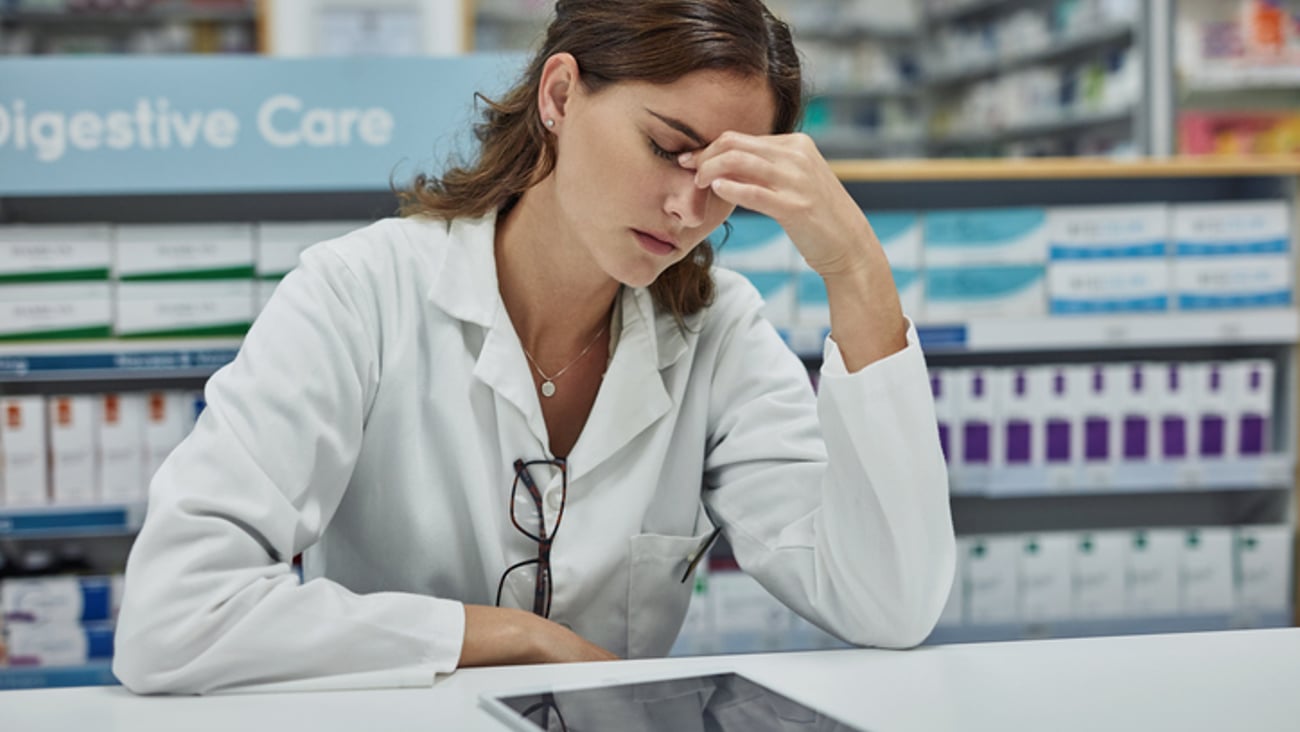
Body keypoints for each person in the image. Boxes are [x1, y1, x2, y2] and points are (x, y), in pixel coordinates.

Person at [113, 0, 955, 695]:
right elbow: (173, 616)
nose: (688, 211)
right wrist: (511, 639)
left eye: (723, 182)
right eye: (667, 149)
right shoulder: (358, 294)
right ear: (559, 94)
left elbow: (888, 604)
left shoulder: (718, 332)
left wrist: (856, 266)